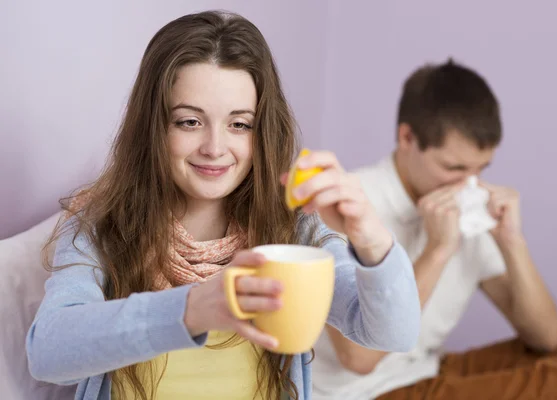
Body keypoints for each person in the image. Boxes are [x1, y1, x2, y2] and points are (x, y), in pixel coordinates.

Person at [25, 10, 421, 400]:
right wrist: (191, 310)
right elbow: (48, 353)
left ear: (261, 130)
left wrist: (370, 237)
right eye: (189, 122)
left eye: (239, 124)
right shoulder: (100, 225)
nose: (215, 148)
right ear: (154, 127)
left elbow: (391, 334)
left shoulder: (292, 232)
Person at [312, 59, 557, 399]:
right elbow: (358, 358)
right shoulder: (345, 206)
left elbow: (547, 337)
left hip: (426, 371)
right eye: (454, 167)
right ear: (407, 137)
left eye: (480, 169)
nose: (469, 184)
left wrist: (512, 242)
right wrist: (438, 250)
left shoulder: (466, 206)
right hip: (364, 391)